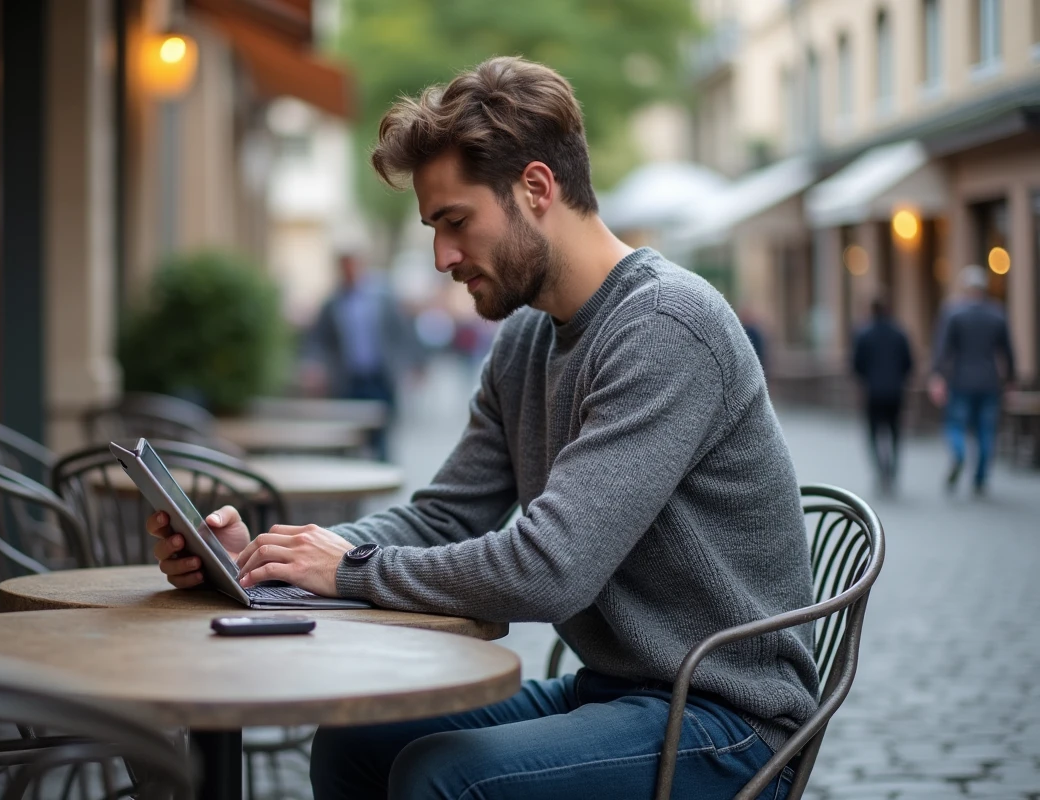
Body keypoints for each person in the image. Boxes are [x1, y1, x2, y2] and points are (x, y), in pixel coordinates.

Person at [147, 57, 817, 799]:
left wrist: (345, 570)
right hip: (615, 694)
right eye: (435, 229)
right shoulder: (526, 342)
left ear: (535, 188)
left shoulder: (665, 326)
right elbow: (443, 515)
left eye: (455, 222)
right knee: (354, 746)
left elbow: (550, 569)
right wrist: (272, 567)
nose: (442, 258)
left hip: (726, 721)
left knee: (446, 779)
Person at [302, 252, 420, 460]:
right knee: (349, 436)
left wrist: (409, 365)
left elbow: (402, 334)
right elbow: (317, 340)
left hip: (380, 377)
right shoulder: (332, 304)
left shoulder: (383, 299)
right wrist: (315, 366)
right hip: (348, 380)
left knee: (382, 435)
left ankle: (382, 476)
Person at [929, 264, 1016, 494]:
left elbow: (942, 348)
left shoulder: (953, 312)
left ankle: (959, 453)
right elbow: (1007, 350)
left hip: (961, 380)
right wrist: (1011, 380)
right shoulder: (997, 313)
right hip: (989, 380)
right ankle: (980, 477)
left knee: (956, 424)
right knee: (986, 431)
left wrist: (937, 375)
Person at [852, 298, 913, 493]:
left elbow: (856, 364)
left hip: (872, 392)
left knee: (873, 433)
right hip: (895, 391)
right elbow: (909, 362)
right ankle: (892, 468)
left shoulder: (864, 334)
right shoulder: (899, 333)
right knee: (895, 432)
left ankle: (881, 469)